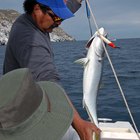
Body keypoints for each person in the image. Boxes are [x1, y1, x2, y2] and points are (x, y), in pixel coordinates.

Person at [3, 0, 101, 139]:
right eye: (56, 17)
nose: (59, 22)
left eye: (61, 17)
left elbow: (63, 8)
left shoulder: (36, 18)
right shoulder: (29, 39)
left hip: (36, 103)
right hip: (22, 119)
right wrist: (79, 124)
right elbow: (48, 81)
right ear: (37, 9)